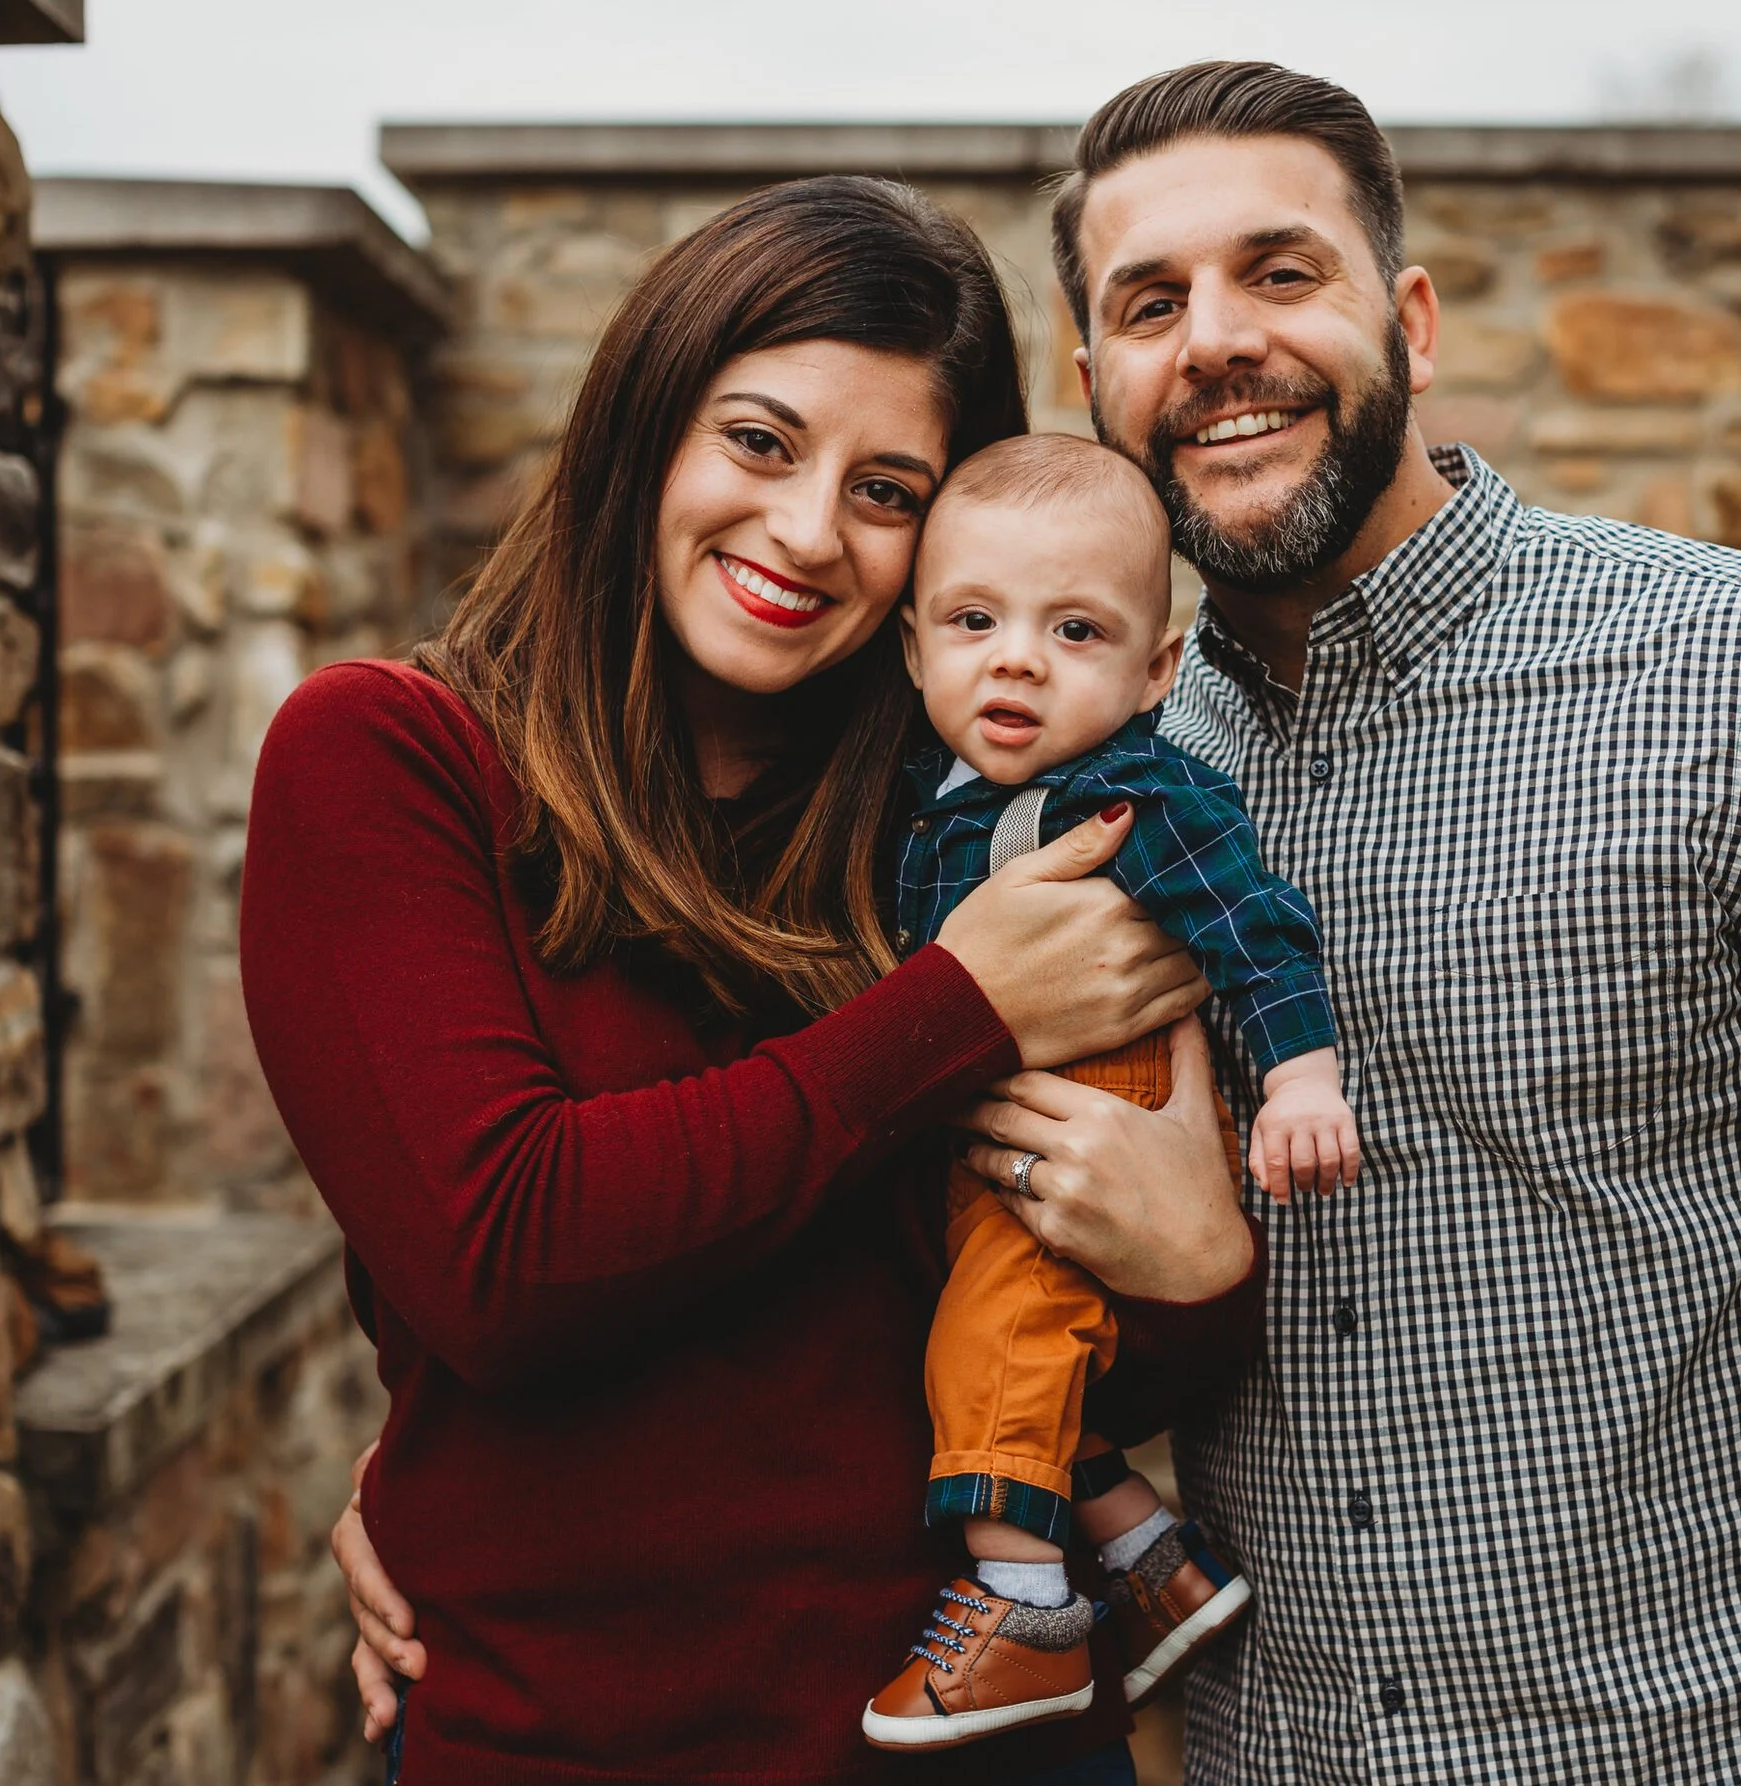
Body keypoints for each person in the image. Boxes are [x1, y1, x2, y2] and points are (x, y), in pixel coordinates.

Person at [339, 62, 1741, 1786]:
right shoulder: (1047, 779)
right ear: (1096, 385)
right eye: (1148, 304)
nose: (1216, 339)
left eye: (1282, 271)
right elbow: (803, 1212)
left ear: (1412, 321)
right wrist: (443, 1478)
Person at [246, 175, 1265, 1786]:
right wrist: (953, 1014)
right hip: (566, 1743)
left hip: (969, 1742)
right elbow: (503, 1261)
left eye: (885, 489)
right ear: (648, 417)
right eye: (761, 441)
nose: (803, 532)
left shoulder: (956, 834)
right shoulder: (394, 762)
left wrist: (1202, 1268)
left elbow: (1046, 1338)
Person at [864, 433, 1356, 1751]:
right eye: (975, 620)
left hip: (1100, 1097)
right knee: (997, 1361)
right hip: (991, 1126)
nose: (1015, 657)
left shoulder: (1142, 793)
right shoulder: (929, 798)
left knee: (1000, 1340)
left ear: (1154, 671)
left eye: (1072, 629)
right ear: (914, 648)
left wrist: (1302, 1073)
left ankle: (1027, 1608)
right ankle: (1153, 1564)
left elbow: (1255, 925)